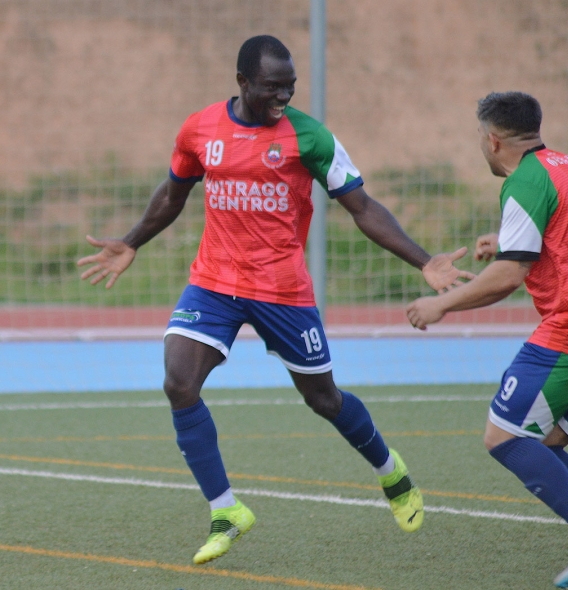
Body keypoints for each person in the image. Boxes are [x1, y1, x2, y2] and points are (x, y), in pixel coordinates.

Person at [78, 35, 473, 564]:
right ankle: (226, 510)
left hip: (282, 290)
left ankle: (390, 471)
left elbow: (362, 206)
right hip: (214, 283)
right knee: (178, 382)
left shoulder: (309, 138)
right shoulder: (199, 130)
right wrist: (131, 241)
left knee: (324, 400)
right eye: (271, 87)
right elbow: (173, 194)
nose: (283, 96)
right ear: (242, 82)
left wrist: (424, 261)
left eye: (289, 86)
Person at [406, 91, 568, 589]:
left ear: (493, 138)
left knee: (503, 436)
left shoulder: (524, 181)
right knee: (546, 443)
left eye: (480, 137)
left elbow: (508, 277)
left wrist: (440, 305)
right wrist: (504, 241)